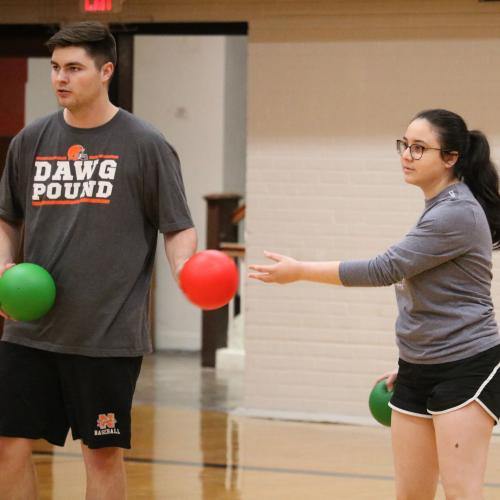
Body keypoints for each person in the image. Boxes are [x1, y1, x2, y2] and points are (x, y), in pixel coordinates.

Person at [249, 108, 500, 500]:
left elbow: (386, 268)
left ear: (450, 157)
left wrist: (300, 270)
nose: (406, 155)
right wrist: (417, 359)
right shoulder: (438, 206)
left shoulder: (456, 212)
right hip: (418, 366)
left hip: (466, 367)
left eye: (419, 148)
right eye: (404, 145)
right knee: (411, 494)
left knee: (461, 493)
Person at [0, 21, 197, 499]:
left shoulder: (145, 144)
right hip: (30, 331)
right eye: (55, 68)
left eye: (74, 68)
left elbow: (178, 226)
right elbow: (6, 218)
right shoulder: (30, 141)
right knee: (7, 444)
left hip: (106, 336)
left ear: (106, 70)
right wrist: (4, 268)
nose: (60, 78)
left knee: (102, 453)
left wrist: (184, 271)